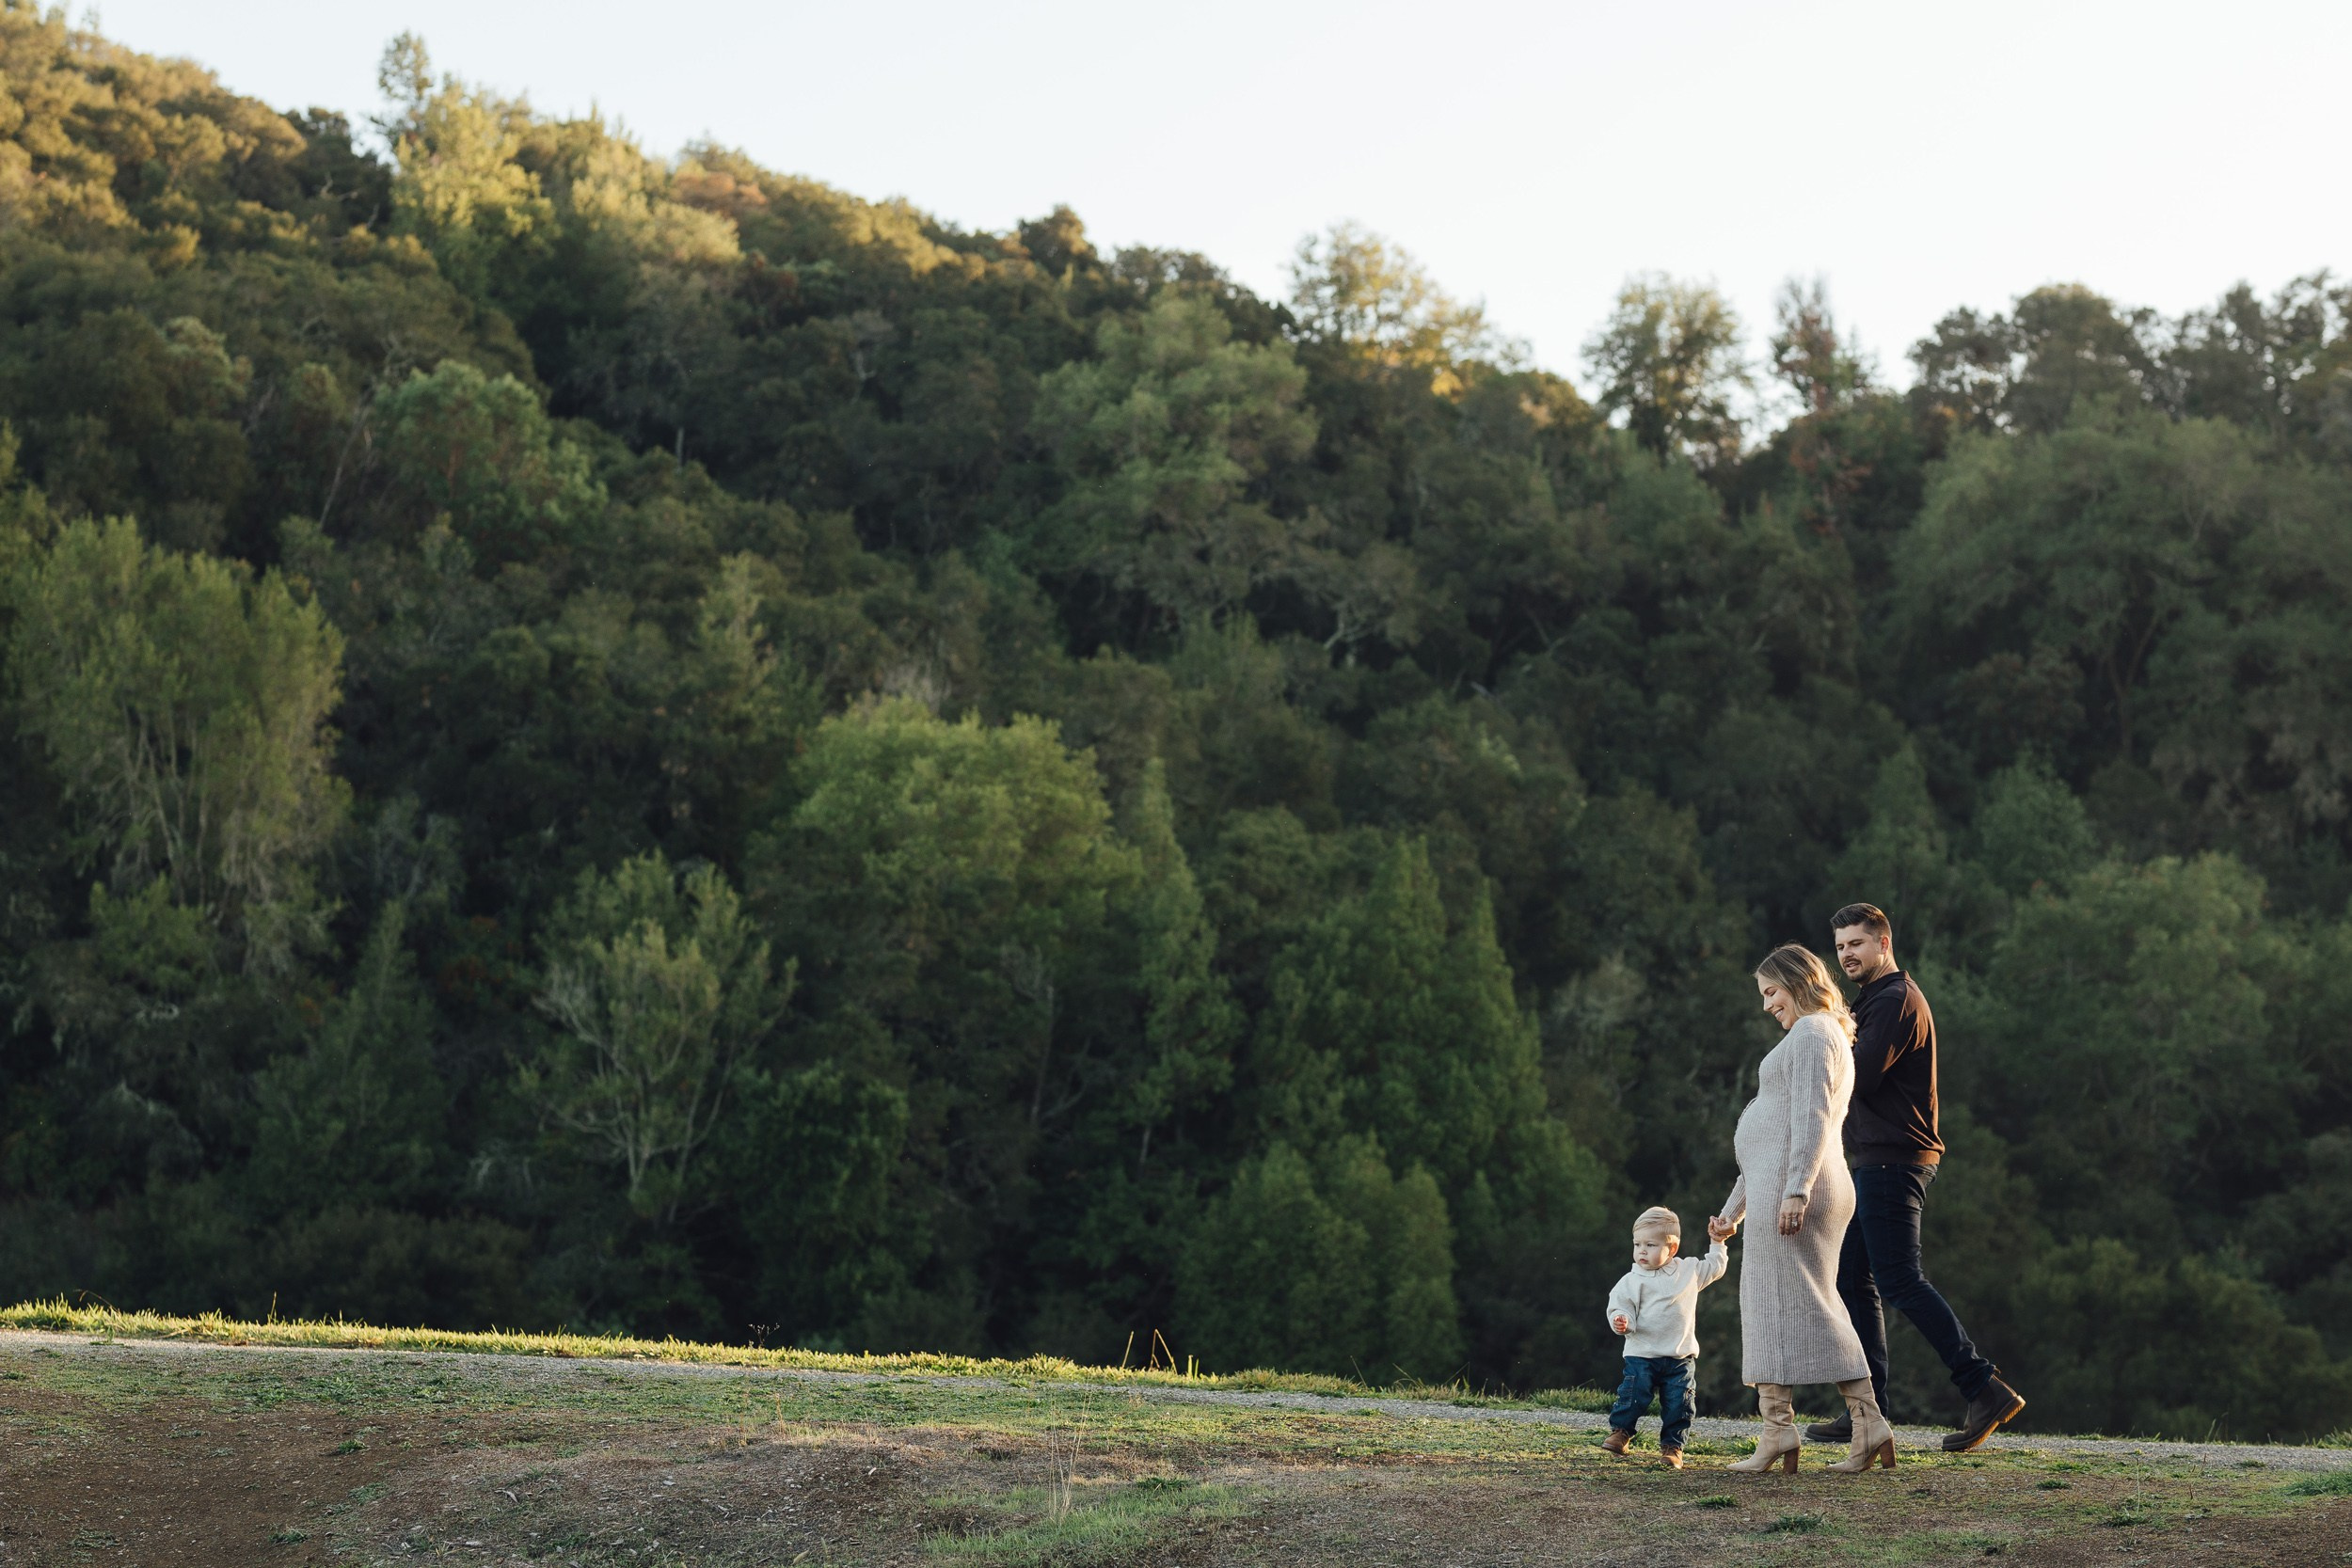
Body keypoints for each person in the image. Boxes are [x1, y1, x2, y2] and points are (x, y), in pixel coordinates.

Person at [1810, 903, 2026, 1454]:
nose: (1847, 955)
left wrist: (1818, 1035)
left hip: (1894, 1158)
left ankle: (1983, 1387)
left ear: (1883, 943)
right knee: (1853, 1279)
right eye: (1840, 947)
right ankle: (1867, 1412)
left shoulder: (1895, 1000)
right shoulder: (1872, 1001)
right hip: (1874, 1159)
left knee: (1900, 1279)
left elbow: (1859, 1075)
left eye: (1857, 944)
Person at [1715, 943, 1896, 1474]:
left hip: (1800, 1191)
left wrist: (1797, 1189)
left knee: (1806, 1305)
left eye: (1772, 991)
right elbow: (1770, 1141)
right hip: (1785, 1187)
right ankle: (1806, 1428)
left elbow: (1813, 1116)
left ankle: (1815, 1427)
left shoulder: (1814, 1032)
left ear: (1798, 982)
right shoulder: (1818, 1033)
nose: (1767, 1004)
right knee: (1778, 1304)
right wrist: (1732, 1213)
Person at [1601, 1205, 1728, 1469]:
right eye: (1637, 1244)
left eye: (1650, 1245)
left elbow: (1715, 1267)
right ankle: (1621, 1433)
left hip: (1680, 1356)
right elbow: (1619, 1306)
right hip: (1642, 1354)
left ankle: (1672, 1447)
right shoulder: (1631, 1280)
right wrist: (1622, 1320)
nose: (1642, 1251)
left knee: (1679, 1404)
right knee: (1633, 1396)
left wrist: (1717, 1241)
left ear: (1672, 1249)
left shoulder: (1689, 1271)